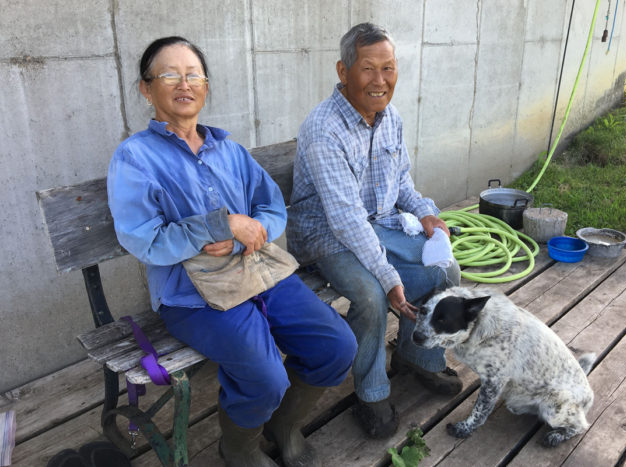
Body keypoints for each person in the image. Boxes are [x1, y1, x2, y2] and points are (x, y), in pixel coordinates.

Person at [107, 36, 357, 467]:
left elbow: (271, 207)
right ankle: (238, 447)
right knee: (264, 377)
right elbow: (142, 239)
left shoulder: (229, 150)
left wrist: (253, 231)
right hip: (190, 296)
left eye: (194, 75)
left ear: (205, 86)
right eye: (170, 74)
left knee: (336, 346)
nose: (184, 83)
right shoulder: (135, 158)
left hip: (257, 271)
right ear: (147, 89)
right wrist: (216, 226)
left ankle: (283, 424)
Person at [287, 23, 462, 439]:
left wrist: (426, 215)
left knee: (445, 273)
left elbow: (401, 182)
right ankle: (371, 390)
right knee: (370, 294)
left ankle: (414, 355)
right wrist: (388, 277)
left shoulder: (391, 118)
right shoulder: (324, 128)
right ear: (343, 71)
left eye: (389, 68)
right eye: (368, 69)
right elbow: (345, 218)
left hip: (378, 228)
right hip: (325, 237)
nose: (380, 80)